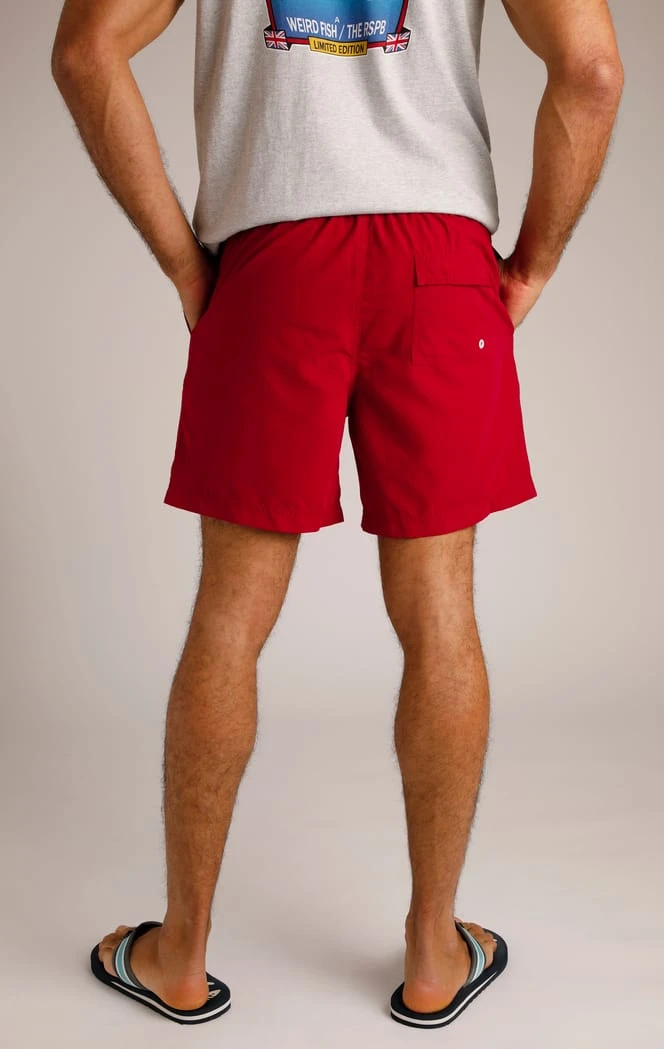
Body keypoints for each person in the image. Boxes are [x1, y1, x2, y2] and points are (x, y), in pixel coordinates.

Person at [51, 0, 623, 1029]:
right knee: (440, 608)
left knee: (231, 612)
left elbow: (87, 51)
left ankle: (181, 954)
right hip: (439, 256)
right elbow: (590, 69)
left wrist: (185, 263)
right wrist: (532, 262)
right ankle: (434, 952)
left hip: (272, 258)